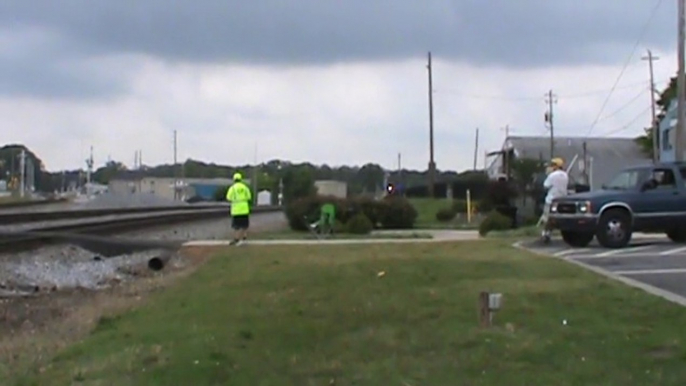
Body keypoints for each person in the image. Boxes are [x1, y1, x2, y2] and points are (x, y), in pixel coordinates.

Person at [540, 157, 569, 243]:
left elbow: (546, 186)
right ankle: (548, 233)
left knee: (547, 218)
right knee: (557, 218)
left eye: (552, 165)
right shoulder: (565, 175)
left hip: (551, 200)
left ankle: (545, 234)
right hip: (562, 199)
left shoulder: (552, 175)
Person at [226, 172, 252, 245]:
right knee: (244, 225)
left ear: (234, 179)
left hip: (236, 209)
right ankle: (244, 237)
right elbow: (249, 197)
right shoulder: (245, 187)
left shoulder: (232, 188)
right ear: (241, 179)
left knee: (236, 226)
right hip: (244, 208)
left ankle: (236, 238)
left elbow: (228, 197)